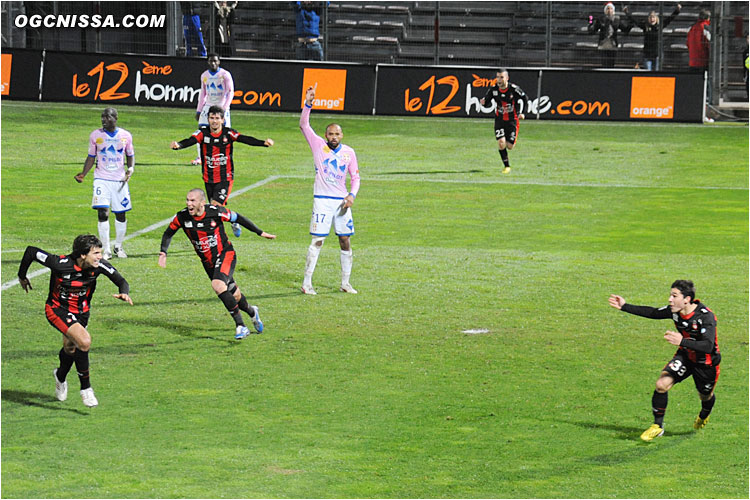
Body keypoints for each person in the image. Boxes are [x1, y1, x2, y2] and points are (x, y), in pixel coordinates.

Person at [17, 234, 133, 407]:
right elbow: (31, 252)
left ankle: (60, 376)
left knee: (70, 348)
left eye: (100, 252)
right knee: (84, 342)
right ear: (83, 255)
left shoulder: (99, 266)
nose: (100, 257)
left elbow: (121, 280)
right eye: (96, 253)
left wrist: (124, 292)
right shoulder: (59, 264)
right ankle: (86, 389)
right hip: (57, 310)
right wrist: (22, 276)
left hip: (82, 313)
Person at [608, 280, 720, 442]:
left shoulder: (705, 316)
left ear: (687, 299)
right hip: (686, 356)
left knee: (705, 395)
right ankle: (657, 426)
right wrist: (625, 306)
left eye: (674, 296)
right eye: (670, 295)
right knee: (662, 384)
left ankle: (704, 415)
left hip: (706, 363)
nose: (670, 299)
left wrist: (682, 341)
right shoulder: (675, 312)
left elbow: (708, 346)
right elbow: (653, 313)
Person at [158, 188, 276, 339]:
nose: (189, 204)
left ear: (202, 202)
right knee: (235, 295)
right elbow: (168, 233)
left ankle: (241, 326)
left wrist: (260, 232)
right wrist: (163, 252)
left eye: (192, 200)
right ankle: (252, 312)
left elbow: (238, 218)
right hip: (208, 263)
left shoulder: (216, 212)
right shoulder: (182, 217)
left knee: (218, 285)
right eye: (187, 200)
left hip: (226, 254)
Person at [171, 105, 274, 238]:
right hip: (208, 178)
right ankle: (233, 221)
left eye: (217, 118)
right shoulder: (202, 133)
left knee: (214, 207)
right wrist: (178, 145)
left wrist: (263, 143)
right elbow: (190, 140)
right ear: (208, 119)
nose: (214, 121)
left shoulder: (228, 133)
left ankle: (216, 237)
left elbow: (245, 139)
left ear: (222, 120)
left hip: (225, 178)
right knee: (217, 209)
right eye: (212, 118)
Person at [300, 85, 360, 295]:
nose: (334, 136)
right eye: (330, 133)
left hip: (342, 202)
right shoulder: (318, 145)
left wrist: (352, 195)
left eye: (337, 133)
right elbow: (304, 125)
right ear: (326, 134)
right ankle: (307, 283)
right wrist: (308, 103)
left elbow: (356, 177)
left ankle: (345, 282)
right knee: (318, 240)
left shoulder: (349, 153)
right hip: (322, 200)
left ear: (342, 135)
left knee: (345, 239)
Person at [75, 107, 134, 260]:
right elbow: (91, 157)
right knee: (102, 213)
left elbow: (130, 155)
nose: (103, 120)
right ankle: (106, 250)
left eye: (107, 117)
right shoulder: (95, 135)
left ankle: (118, 246)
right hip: (101, 179)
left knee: (120, 214)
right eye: (102, 117)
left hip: (119, 180)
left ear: (115, 118)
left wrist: (130, 169)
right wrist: (83, 174)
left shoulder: (125, 136)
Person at [479, 69, 528, 175]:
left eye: (501, 77)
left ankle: (508, 143)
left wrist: (523, 112)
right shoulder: (493, 90)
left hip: (512, 121)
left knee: (510, 146)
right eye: (497, 77)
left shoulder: (513, 89)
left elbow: (525, 98)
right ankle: (507, 166)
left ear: (507, 78)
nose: (499, 80)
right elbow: (487, 102)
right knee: (501, 143)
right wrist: (483, 103)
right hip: (499, 120)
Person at [192, 53, 235, 166]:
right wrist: (199, 110)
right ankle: (200, 157)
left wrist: (224, 109)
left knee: (225, 133)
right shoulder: (204, 75)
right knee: (201, 131)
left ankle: (224, 157)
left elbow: (230, 93)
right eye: (211, 61)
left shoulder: (225, 75)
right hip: (208, 106)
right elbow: (203, 94)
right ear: (208, 62)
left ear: (219, 62)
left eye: (215, 61)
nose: (213, 63)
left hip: (221, 106)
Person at [624, 3, 681, 71]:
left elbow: (670, 19)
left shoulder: (659, 26)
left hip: (657, 54)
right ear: (648, 19)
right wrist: (627, 13)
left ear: (656, 18)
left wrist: (677, 11)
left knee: (656, 72)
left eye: (653, 17)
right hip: (647, 54)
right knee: (648, 72)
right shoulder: (645, 26)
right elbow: (635, 21)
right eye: (650, 17)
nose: (652, 19)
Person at [588, 2, 632, 68]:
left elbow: (625, 30)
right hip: (603, 44)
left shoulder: (617, 20)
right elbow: (593, 30)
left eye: (611, 8)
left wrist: (630, 22)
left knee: (611, 64)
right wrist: (590, 22)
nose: (609, 10)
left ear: (613, 10)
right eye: (608, 9)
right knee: (604, 64)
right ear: (605, 10)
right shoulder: (601, 19)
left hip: (613, 44)